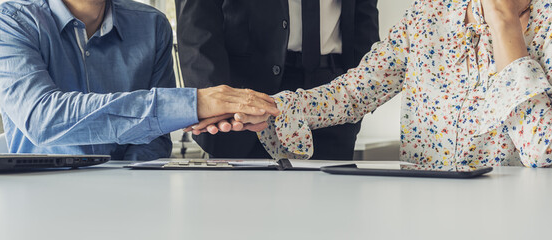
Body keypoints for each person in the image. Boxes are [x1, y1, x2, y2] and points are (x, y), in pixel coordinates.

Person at [224, 0, 552, 167]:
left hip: (514, 217)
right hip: (423, 214)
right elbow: (352, 92)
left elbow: (542, 151)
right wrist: (271, 107)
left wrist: (504, 24)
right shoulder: (428, 14)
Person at [0, 0, 279, 160]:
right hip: (36, 199)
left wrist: (203, 112)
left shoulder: (152, 26)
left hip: (126, 201)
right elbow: (43, 118)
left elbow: (152, 142)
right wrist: (194, 103)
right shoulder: (9, 23)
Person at [175, 0, 380, 159]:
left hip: (334, 91)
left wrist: (364, 90)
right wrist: (216, 102)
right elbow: (197, 22)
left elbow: (364, 16)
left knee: (331, 205)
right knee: (242, 206)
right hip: (244, 96)